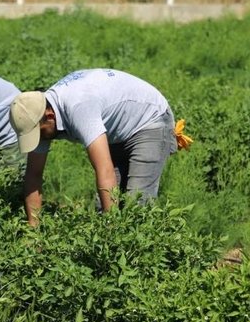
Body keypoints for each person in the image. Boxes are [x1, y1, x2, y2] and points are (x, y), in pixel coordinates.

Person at [10, 68, 187, 226]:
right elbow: (33, 176)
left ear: (49, 116)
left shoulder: (78, 107)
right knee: (103, 209)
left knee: (137, 205)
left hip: (150, 120)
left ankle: (140, 259)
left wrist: (111, 232)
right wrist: (35, 233)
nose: (38, 139)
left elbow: (104, 170)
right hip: (117, 129)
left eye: (38, 133)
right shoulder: (39, 113)